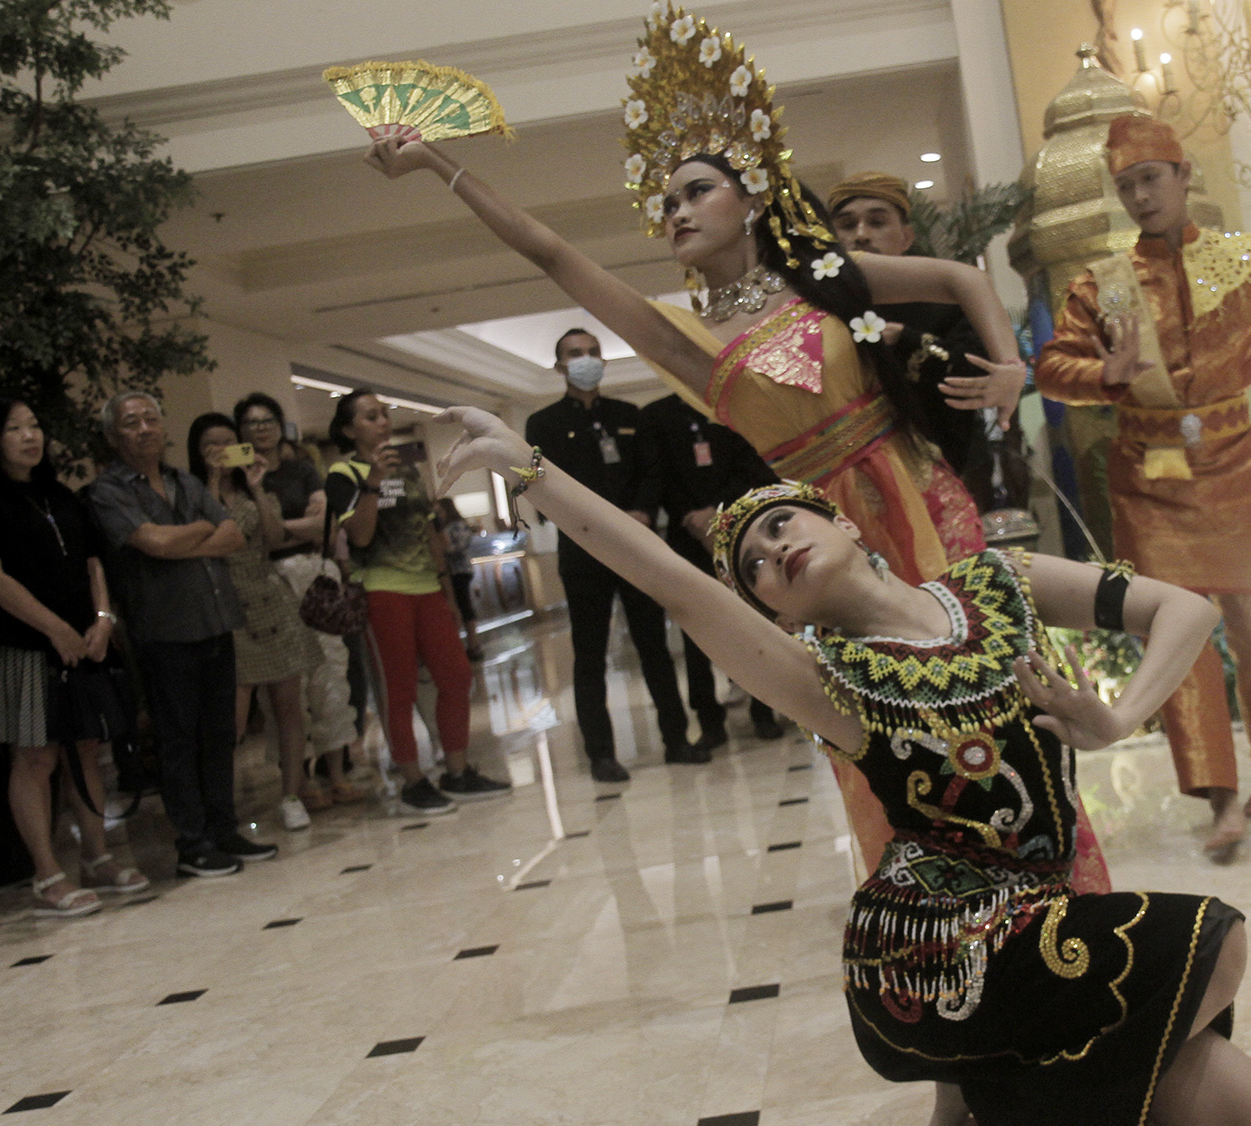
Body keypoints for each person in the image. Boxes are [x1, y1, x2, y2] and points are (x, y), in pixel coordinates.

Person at [357, 6, 1111, 894]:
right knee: (866, 717)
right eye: (665, 202)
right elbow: (551, 251)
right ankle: (932, 903)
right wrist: (442, 163)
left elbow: (959, 278)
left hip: (923, 499)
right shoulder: (686, 344)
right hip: (820, 539)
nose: (674, 212)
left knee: (995, 686)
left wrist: (1009, 367)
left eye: (695, 194)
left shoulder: (820, 279)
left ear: (750, 198)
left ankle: (1065, 884)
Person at [432, 404, 1251, 1126]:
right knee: (1213, 940)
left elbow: (1184, 610)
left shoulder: (998, 581)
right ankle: (1008, 1113)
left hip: (1040, 917)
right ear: (768, 609)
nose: (771, 554)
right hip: (942, 946)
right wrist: (531, 469)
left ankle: (991, 1104)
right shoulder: (827, 680)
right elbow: (667, 580)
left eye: (778, 526)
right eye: (753, 570)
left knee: (1242, 1118)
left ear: (837, 518)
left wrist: (1115, 718)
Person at [1036, 114, 1251, 854]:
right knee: (1176, 632)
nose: (1138, 196)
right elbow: (1051, 370)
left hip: (1231, 465)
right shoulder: (1102, 287)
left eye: (1149, 179)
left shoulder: (1246, 261)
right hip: (1147, 478)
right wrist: (1105, 374)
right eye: (1125, 186)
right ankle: (1217, 795)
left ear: (1183, 175)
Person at [0, 397, 149, 915]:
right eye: (15, 428)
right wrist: (56, 629)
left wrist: (102, 621)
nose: (29, 436)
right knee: (35, 756)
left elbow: (92, 561)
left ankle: (97, 857)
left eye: (34, 425)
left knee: (85, 749)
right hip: (23, 647)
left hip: (84, 642)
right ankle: (46, 872)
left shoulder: (59, 495)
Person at [87, 392, 272, 877]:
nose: (145, 428)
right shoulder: (109, 491)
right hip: (164, 630)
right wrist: (187, 535)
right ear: (113, 436)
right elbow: (151, 542)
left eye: (152, 418)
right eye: (132, 422)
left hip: (214, 620)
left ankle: (224, 829)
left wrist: (176, 540)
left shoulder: (182, 480)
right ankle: (192, 843)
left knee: (220, 733)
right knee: (178, 739)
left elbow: (232, 534)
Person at [525, 330, 709, 781]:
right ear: (559, 366)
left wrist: (642, 513)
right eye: (575, 354)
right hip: (583, 552)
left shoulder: (630, 417)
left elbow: (652, 471)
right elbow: (541, 483)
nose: (585, 360)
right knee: (589, 654)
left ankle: (675, 740)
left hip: (635, 545)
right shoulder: (543, 424)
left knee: (654, 648)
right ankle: (601, 754)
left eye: (592, 353)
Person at [323, 389, 512, 813]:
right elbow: (361, 537)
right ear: (349, 429)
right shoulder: (342, 473)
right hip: (382, 590)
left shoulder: (407, 472)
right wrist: (372, 482)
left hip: (428, 588)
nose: (382, 423)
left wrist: (446, 591)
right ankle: (412, 780)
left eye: (384, 415)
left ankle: (458, 772)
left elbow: (431, 533)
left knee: (456, 676)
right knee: (398, 689)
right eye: (370, 417)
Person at [187, 414, 326, 832]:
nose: (222, 452)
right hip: (226, 607)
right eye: (212, 445)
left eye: (229, 443)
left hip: (271, 598)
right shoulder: (192, 493)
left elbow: (274, 537)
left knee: (289, 707)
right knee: (231, 717)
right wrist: (213, 482)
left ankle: (291, 794)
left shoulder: (254, 488)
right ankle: (220, 805)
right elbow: (207, 539)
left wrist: (257, 486)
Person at [234, 392, 361, 806]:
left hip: (313, 577)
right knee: (287, 688)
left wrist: (272, 525)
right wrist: (288, 527)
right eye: (251, 423)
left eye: (267, 420)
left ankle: (337, 772)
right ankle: (299, 782)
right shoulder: (239, 479)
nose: (261, 429)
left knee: (330, 675)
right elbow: (248, 536)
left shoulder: (302, 470)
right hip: (266, 583)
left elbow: (324, 525)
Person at [639, 391, 785, 745]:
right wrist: (692, 517)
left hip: (743, 531)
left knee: (756, 622)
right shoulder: (656, 415)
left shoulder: (735, 404)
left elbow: (756, 468)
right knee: (696, 630)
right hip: (686, 536)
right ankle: (709, 720)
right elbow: (655, 476)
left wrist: (718, 514)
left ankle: (765, 709)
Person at [829, 171, 991, 488]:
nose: (861, 235)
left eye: (877, 223)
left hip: (938, 475)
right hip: (844, 482)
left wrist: (905, 340)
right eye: (848, 225)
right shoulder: (820, 310)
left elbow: (976, 374)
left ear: (906, 237)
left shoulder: (946, 299)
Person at [434, 497, 484, 662]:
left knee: (464, 605)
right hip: (449, 572)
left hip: (460, 570)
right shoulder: (443, 526)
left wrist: (441, 549)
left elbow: (460, 546)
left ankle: (473, 643)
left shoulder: (457, 526)